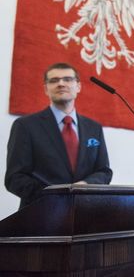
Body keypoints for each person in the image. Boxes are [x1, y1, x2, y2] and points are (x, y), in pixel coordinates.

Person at [5, 62, 112, 208]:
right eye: (54, 80)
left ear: (78, 86)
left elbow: (104, 171)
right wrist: (54, 196)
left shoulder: (94, 128)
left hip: (85, 211)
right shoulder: (25, 126)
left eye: (67, 79)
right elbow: (15, 178)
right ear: (46, 89)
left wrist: (86, 185)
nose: (61, 84)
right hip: (40, 212)